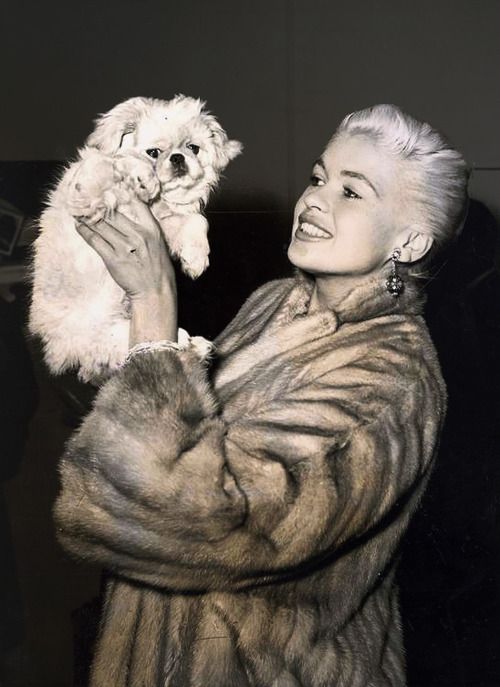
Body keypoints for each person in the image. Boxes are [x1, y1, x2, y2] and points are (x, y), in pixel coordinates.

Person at [53, 104, 469, 686]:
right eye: (319, 177)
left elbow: (190, 520)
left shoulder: (389, 382)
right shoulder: (279, 302)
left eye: (352, 192)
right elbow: (176, 433)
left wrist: (153, 303)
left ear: (412, 240)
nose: (315, 200)